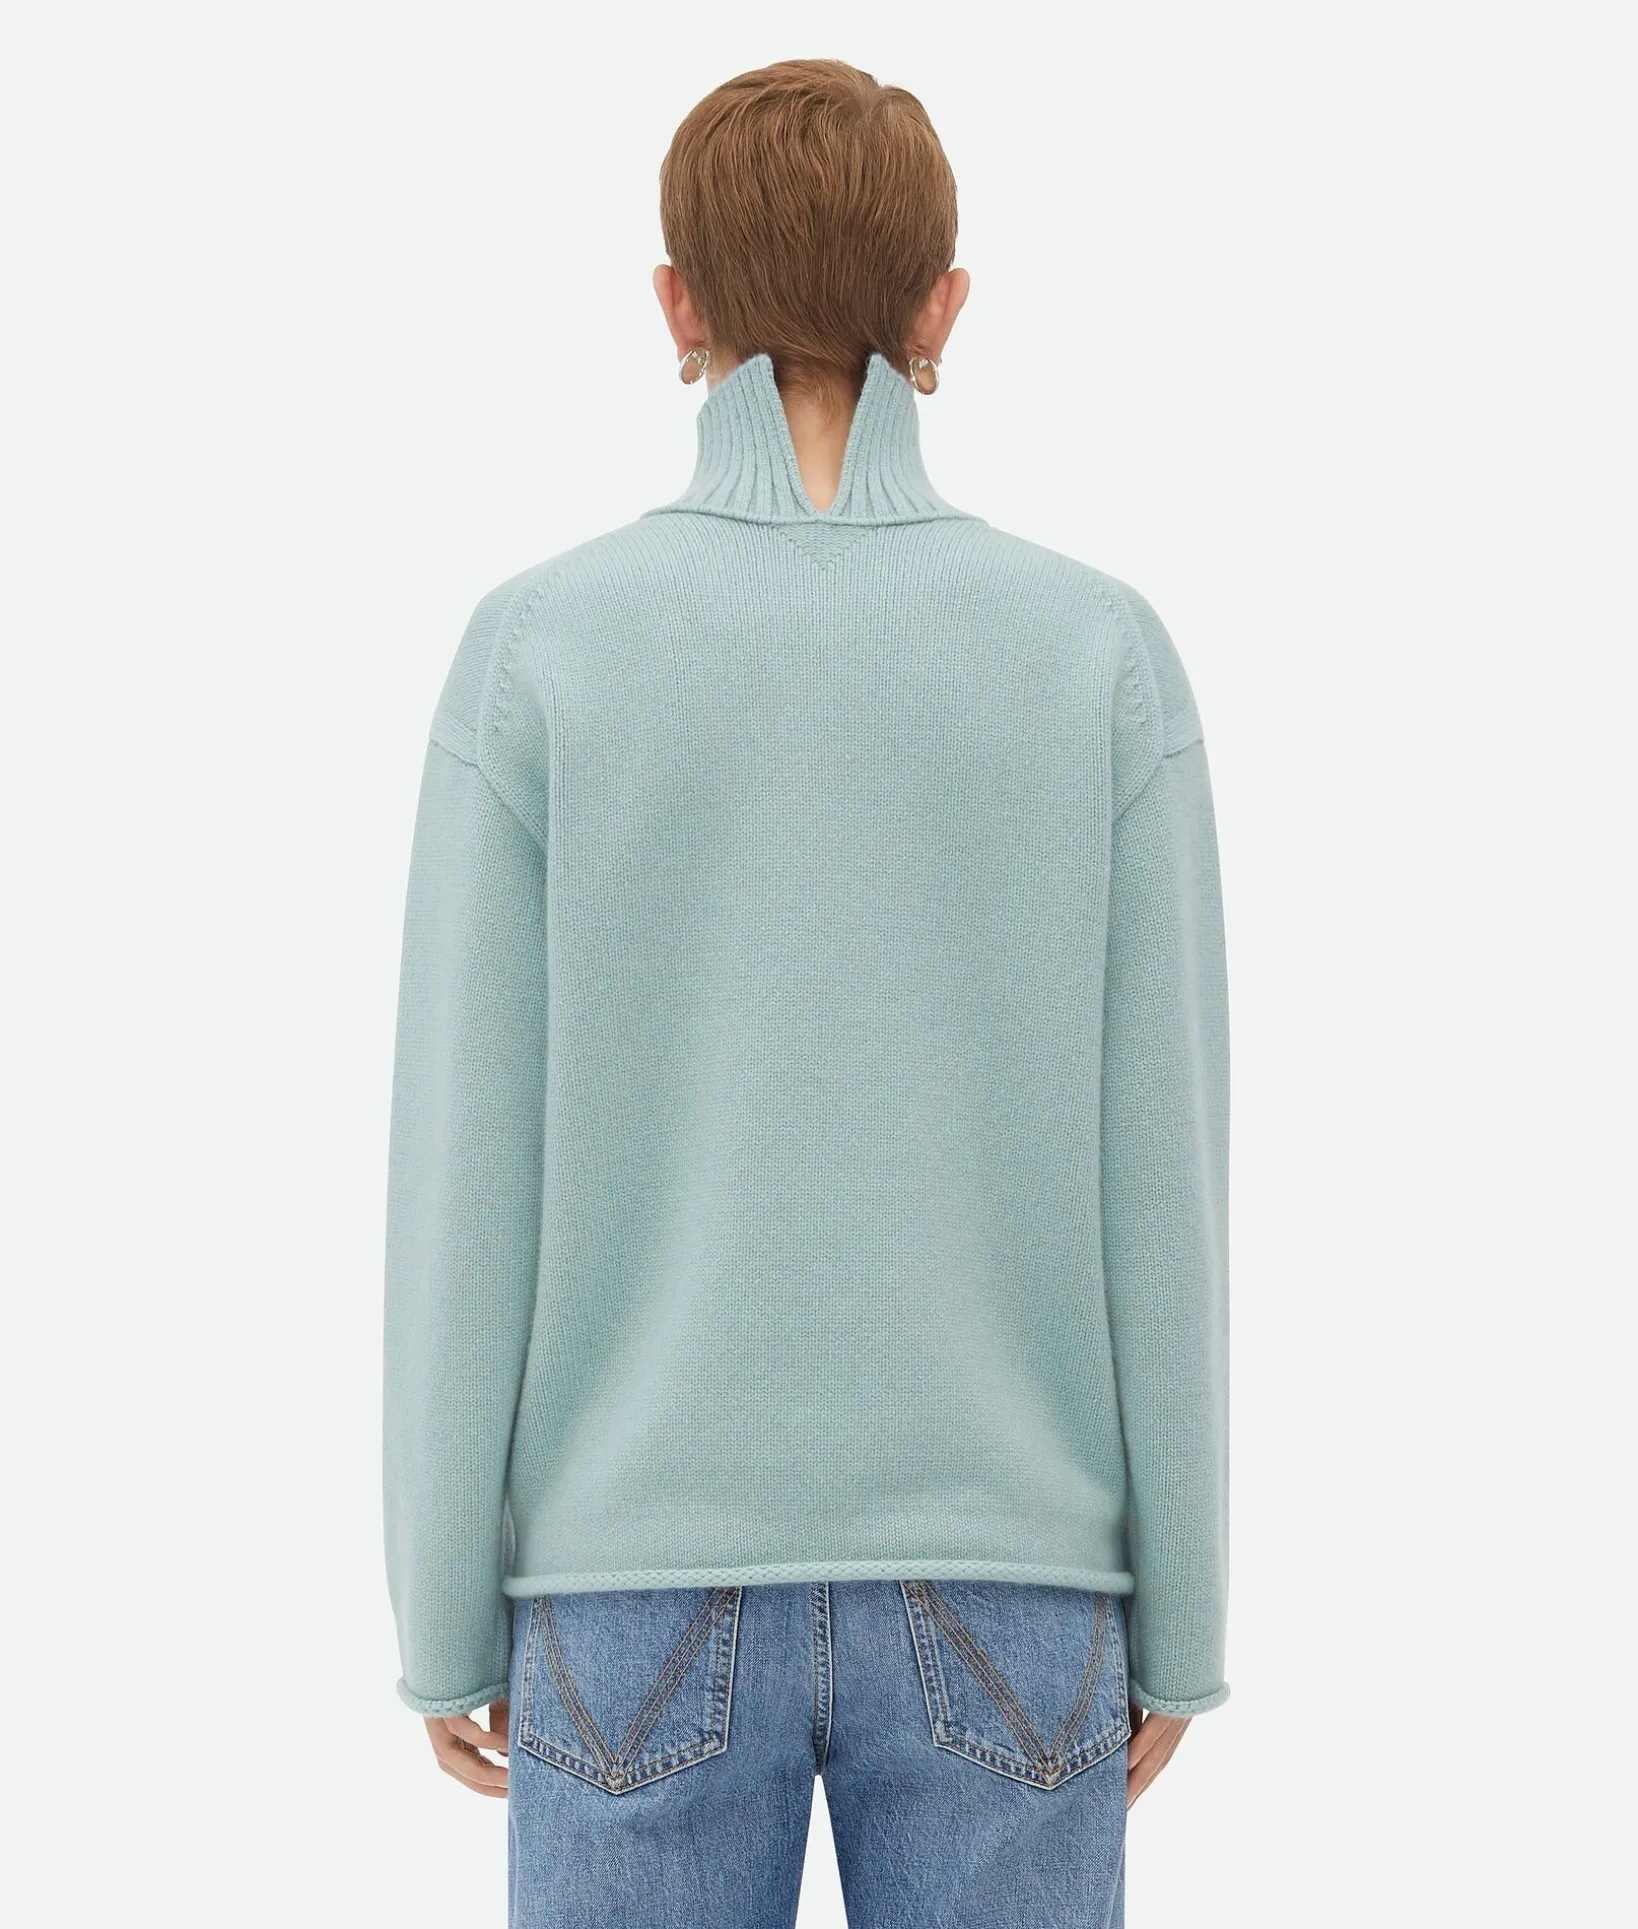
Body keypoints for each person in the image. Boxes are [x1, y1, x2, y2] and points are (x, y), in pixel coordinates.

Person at [384, 56, 1229, 1929]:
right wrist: (1184, 1614)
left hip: (624, 1588)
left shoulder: (539, 653)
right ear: (944, 309)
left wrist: (439, 1602)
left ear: (673, 304)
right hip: (1019, 1580)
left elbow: (467, 1168)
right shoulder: (1094, 655)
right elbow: (1160, 1176)